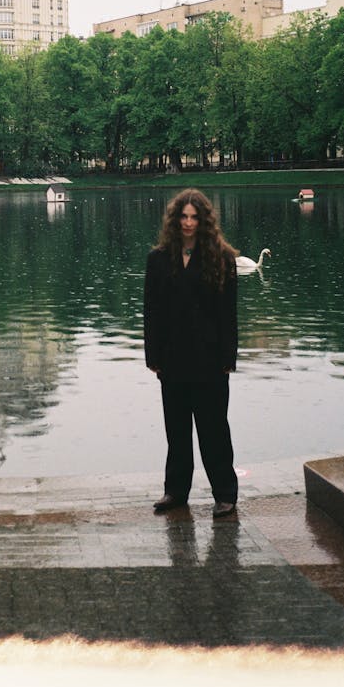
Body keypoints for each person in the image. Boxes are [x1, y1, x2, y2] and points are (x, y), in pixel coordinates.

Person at [143, 188, 239, 518]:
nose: (188, 222)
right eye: (183, 217)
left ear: (204, 220)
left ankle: (225, 494)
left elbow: (229, 313)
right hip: (172, 360)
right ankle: (175, 492)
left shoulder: (222, 258)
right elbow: (151, 312)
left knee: (214, 431)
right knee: (177, 432)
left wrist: (229, 359)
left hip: (211, 361)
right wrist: (152, 357)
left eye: (194, 217)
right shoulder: (158, 259)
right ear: (174, 220)